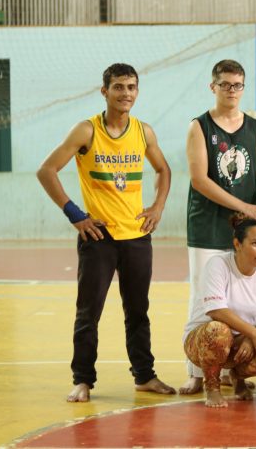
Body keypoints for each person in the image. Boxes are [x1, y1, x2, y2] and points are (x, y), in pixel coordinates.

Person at [36, 63, 175, 402]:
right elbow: (47, 170)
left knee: (138, 311)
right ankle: (82, 380)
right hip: (98, 238)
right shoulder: (87, 130)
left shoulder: (144, 131)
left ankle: (144, 376)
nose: (126, 93)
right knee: (89, 313)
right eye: (118, 87)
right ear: (105, 91)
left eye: (131, 87)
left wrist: (157, 207)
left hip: (136, 236)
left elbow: (163, 169)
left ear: (137, 91)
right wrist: (76, 216)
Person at [180, 59, 256, 395]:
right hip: (208, 223)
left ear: (243, 88)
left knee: (241, 298)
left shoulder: (255, 127)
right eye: (225, 85)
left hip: (245, 229)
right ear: (213, 87)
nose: (231, 90)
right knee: (202, 297)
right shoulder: (199, 126)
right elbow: (199, 180)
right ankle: (196, 371)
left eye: (237, 85)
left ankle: (230, 369)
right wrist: (245, 206)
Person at [183, 218, 256, 408]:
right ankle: (212, 387)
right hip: (204, 341)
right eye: (255, 243)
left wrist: (252, 338)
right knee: (218, 331)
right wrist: (254, 334)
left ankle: (238, 377)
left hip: (240, 342)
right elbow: (216, 311)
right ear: (237, 244)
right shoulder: (218, 264)